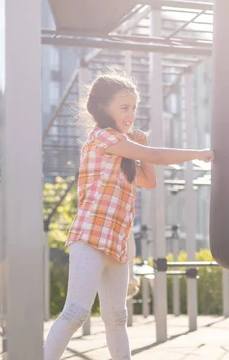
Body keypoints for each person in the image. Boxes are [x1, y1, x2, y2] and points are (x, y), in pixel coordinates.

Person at [44, 73, 214, 360]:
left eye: (134, 108)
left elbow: (149, 179)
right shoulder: (103, 138)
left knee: (117, 317)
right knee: (75, 312)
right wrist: (197, 153)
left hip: (116, 241)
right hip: (90, 236)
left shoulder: (122, 147)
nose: (131, 114)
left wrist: (142, 147)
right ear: (103, 108)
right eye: (124, 108)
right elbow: (156, 156)